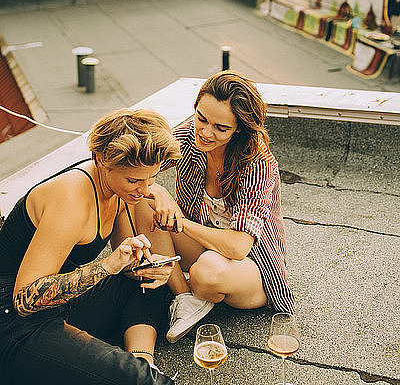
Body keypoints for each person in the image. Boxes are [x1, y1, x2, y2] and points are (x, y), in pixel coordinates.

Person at [0, 108, 182, 385]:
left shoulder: (118, 190)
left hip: (60, 304)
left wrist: (149, 268)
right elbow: (26, 301)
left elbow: (128, 267)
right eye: (134, 180)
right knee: (139, 380)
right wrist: (107, 265)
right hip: (14, 321)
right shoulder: (71, 198)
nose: (145, 190)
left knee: (149, 286)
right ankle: (140, 374)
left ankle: (142, 359)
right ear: (101, 160)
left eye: (152, 178)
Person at [135, 71, 295, 343]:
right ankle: (185, 297)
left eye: (221, 128)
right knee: (141, 203)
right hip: (203, 246)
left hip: (250, 267)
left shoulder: (258, 164)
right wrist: (158, 189)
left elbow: (237, 247)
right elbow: (138, 167)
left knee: (208, 270)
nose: (206, 133)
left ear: (239, 129)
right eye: (201, 118)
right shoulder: (188, 137)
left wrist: (178, 221)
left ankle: (200, 287)